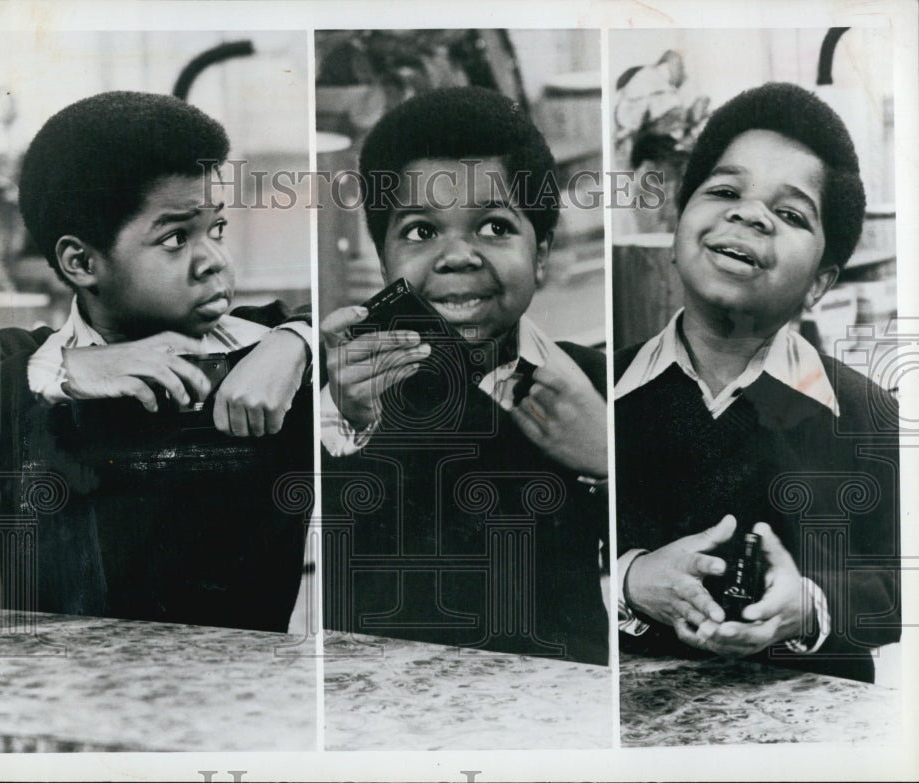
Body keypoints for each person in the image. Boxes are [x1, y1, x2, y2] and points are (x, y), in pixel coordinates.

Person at [0, 91, 312, 631]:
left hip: (244, 702)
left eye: (217, 229)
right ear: (82, 261)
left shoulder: (268, 346)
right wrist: (69, 370)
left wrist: (297, 341)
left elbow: (410, 328)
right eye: (176, 237)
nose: (214, 260)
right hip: (58, 702)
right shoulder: (23, 364)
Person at [615, 82, 900, 682]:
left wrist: (809, 606)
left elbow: (893, 587)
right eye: (723, 191)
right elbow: (539, 562)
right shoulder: (602, 391)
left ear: (820, 284)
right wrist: (631, 580)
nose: (747, 214)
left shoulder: (867, 412)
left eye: (791, 213)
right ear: (677, 227)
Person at [320, 86, 609, 665]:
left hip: (555, 706)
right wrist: (351, 423)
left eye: (495, 227)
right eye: (421, 232)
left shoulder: (598, 383)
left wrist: (608, 459)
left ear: (543, 253)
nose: (458, 256)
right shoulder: (349, 398)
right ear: (384, 261)